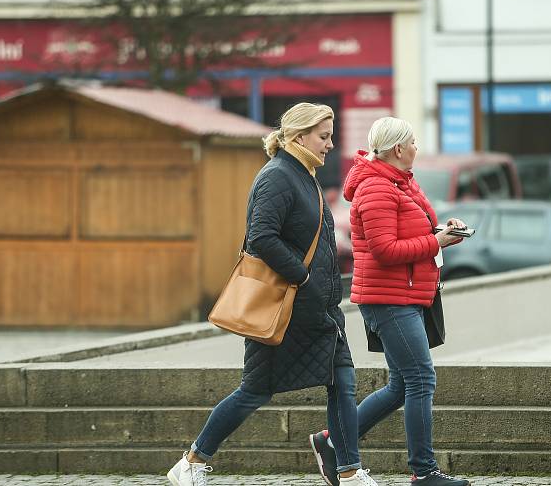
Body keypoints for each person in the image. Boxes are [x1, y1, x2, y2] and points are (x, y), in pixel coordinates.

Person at [167, 103, 379, 486]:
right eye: (324, 136)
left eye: (331, 136)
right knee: (254, 390)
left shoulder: (303, 174)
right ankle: (192, 461)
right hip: (287, 308)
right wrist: (304, 276)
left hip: (320, 309)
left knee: (343, 383)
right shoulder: (278, 176)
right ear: (299, 136)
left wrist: (319, 287)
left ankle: (348, 471)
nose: (330, 144)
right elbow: (261, 237)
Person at [308, 117, 471, 486]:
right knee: (420, 378)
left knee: (401, 384)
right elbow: (384, 250)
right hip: (388, 298)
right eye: (413, 141)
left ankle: (333, 441)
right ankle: (424, 472)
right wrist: (436, 243)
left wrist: (442, 231)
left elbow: (413, 232)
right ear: (398, 148)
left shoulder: (402, 182)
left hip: (408, 293)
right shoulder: (377, 188)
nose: (417, 147)